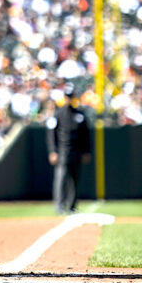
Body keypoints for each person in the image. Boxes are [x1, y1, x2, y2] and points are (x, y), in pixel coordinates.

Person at [46, 83, 93, 215]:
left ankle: (72, 205)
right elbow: (51, 134)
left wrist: (86, 151)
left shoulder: (80, 115)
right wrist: (52, 151)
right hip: (62, 151)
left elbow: (86, 135)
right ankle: (59, 206)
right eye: (67, 96)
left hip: (77, 151)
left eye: (71, 96)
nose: (69, 99)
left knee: (75, 179)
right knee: (61, 178)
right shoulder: (58, 114)